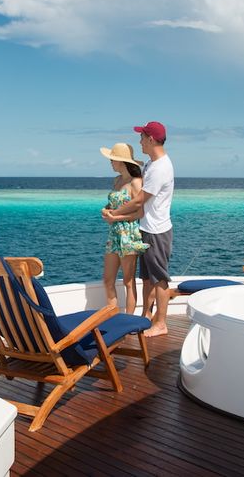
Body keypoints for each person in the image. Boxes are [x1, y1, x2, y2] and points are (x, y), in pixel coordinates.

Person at [102, 121, 174, 337]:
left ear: (151, 139)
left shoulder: (160, 167)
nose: (140, 142)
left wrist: (114, 214)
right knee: (147, 278)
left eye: (142, 138)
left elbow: (139, 201)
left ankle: (161, 323)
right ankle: (145, 317)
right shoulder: (151, 165)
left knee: (159, 278)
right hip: (146, 228)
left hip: (156, 230)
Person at [99, 142, 148, 314]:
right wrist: (106, 210)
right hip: (113, 235)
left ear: (121, 161)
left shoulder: (136, 182)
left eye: (112, 160)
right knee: (108, 280)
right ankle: (113, 317)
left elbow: (139, 212)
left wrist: (116, 217)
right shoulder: (117, 180)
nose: (111, 163)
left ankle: (128, 320)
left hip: (129, 234)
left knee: (129, 281)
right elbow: (113, 203)